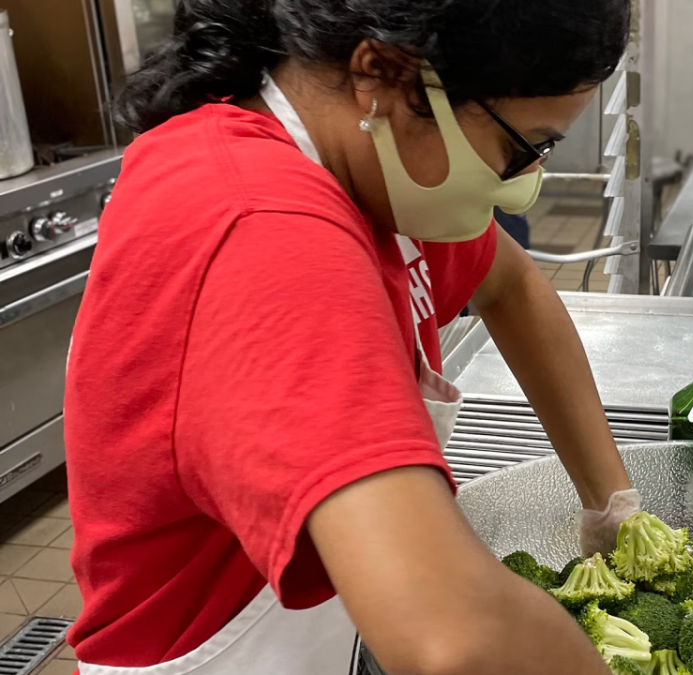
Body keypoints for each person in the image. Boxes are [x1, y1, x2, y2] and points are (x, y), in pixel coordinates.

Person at [62, 0, 638, 672]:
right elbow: (456, 635)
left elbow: (509, 285)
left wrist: (613, 506)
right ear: (385, 72)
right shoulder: (258, 226)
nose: (522, 189)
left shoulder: (378, 168)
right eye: (521, 148)